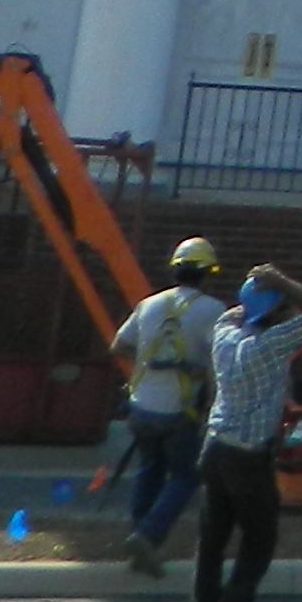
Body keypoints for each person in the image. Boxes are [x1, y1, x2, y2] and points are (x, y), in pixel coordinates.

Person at [187, 261, 302, 602]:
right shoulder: (271, 344)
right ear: (276, 312)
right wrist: (281, 280)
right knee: (258, 542)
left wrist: (260, 291)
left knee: (212, 541)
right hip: (248, 455)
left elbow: (239, 311)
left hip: (214, 447)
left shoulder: (225, 334)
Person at [111, 238, 230, 576]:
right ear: (208, 273)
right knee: (185, 475)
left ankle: (140, 540)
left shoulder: (148, 304)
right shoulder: (214, 311)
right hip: (180, 413)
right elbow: (217, 365)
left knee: (150, 469)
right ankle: (147, 536)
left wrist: (152, 364)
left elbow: (119, 346)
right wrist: (209, 402)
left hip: (140, 408)